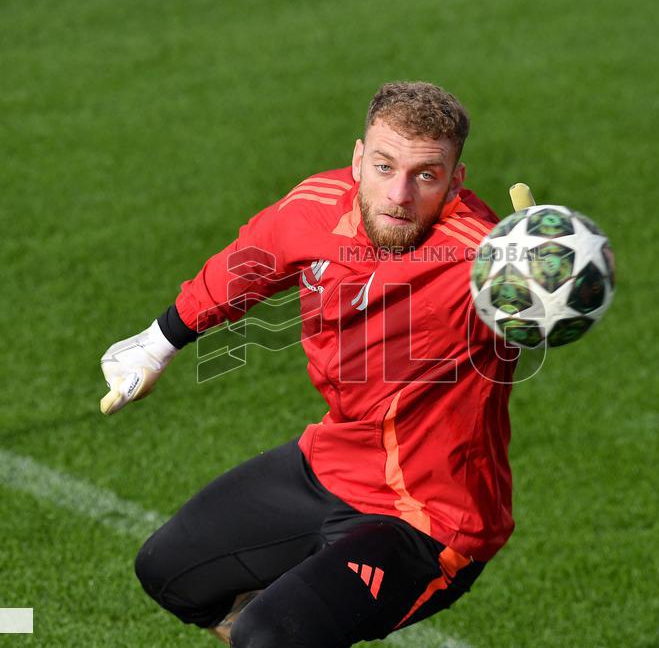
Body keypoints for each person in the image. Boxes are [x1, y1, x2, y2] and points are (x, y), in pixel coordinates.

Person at [99, 81, 517, 646]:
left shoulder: (481, 257)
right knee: (168, 572)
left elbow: (538, 306)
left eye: (426, 175)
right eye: (384, 166)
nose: (399, 194)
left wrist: (544, 272)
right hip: (329, 464)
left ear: (454, 183)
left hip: (429, 518)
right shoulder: (316, 207)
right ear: (357, 160)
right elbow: (244, 267)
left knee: (270, 636)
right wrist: (156, 343)